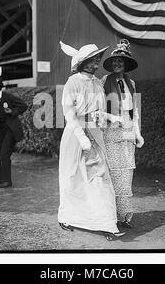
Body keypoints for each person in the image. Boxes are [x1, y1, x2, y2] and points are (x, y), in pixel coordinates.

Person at [58, 41, 125, 241]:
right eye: (94, 58)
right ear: (84, 62)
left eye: (98, 58)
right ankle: (67, 217)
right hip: (75, 135)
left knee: (99, 177)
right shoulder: (73, 82)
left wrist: (113, 118)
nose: (97, 61)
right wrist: (82, 138)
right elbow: (69, 113)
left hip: (94, 133)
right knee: (73, 176)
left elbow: (96, 111)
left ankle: (105, 222)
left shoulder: (97, 83)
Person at [101, 39, 144, 229]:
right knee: (112, 171)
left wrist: (138, 132)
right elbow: (100, 108)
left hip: (127, 127)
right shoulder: (104, 81)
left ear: (126, 64)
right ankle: (111, 214)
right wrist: (109, 120)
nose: (118, 64)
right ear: (111, 64)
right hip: (111, 128)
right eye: (115, 61)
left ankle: (125, 215)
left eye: (122, 61)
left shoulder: (131, 83)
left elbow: (136, 110)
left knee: (127, 171)